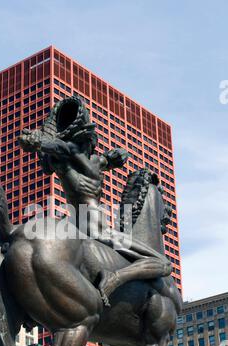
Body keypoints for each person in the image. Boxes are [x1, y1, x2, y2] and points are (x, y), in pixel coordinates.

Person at [19, 110, 171, 306]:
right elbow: (53, 146)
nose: (93, 141)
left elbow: (108, 159)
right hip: (98, 230)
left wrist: (113, 158)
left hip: (73, 223)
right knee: (164, 264)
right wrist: (37, 141)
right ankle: (115, 278)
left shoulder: (90, 161)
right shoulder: (71, 153)